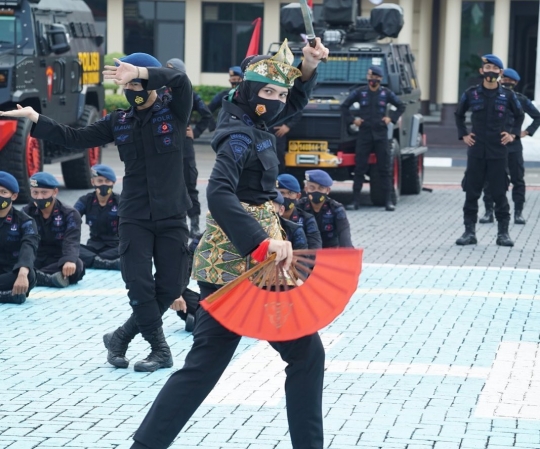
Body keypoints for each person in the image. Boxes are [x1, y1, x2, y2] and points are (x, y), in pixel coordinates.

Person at [130, 38, 329, 449]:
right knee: (301, 356)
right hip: (243, 265)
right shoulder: (238, 135)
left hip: (246, 264)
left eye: (279, 93)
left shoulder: (252, 118)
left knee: (210, 365)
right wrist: (260, 243)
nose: (275, 102)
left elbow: (288, 106)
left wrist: (307, 67)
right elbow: (218, 194)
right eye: (267, 92)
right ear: (249, 91)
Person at [0, 52, 193, 372]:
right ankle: (160, 349)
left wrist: (143, 71)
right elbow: (75, 137)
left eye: (138, 82)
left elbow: (181, 81)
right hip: (134, 215)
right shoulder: (119, 121)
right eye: (128, 83)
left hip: (172, 213)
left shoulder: (175, 112)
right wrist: (36, 119)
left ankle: (120, 336)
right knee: (140, 284)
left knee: (172, 285)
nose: (134, 88)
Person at [455, 55, 524, 247]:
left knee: (499, 193)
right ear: (481, 71)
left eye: (494, 68)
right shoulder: (471, 94)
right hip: (476, 151)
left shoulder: (508, 96)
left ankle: (503, 234)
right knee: (471, 193)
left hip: (498, 152)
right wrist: (464, 135)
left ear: (500, 73)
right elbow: (459, 114)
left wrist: (513, 135)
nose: (490, 70)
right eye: (487, 67)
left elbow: (519, 116)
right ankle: (469, 232)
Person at [478, 68, 540, 226]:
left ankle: (518, 213)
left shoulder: (520, 99)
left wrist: (526, 132)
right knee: (490, 179)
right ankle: (488, 212)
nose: (506, 82)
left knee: (517, 179)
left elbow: (537, 116)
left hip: (513, 146)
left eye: (509, 81)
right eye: (503, 79)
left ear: (516, 83)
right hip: (493, 145)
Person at [340, 65, 405, 211]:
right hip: (364, 135)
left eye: (373, 76)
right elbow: (344, 106)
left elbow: (401, 106)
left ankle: (388, 201)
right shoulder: (360, 92)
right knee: (359, 169)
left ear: (380, 78)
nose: (371, 78)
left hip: (381, 135)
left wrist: (391, 119)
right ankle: (355, 201)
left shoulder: (386, 93)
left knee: (385, 169)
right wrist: (353, 120)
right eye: (369, 76)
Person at [166, 58, 213, 237]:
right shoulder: (160, 91)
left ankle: (194, 224)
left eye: (171, 70)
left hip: (185, 147)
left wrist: (195, 131)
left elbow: (207, 116)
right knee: (168, 185)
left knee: (189, 185)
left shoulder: (189, 93)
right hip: (166, 144)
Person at [22, 172, 85, 288]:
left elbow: (71, 241)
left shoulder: (70, 214)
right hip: (34, 257)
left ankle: (33, 276)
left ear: (55, 192)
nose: (39, 197)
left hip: (58, 259)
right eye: (35, 192)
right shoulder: (25, 212)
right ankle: (45, 277)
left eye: (44, 192)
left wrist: (69, 260)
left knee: (77, 265)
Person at [0, 172, 39, 305]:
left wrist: (22, 272)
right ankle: (6, 296)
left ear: (14, 196)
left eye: (3, 192)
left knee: (30, 275)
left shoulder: (25, 221)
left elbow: (29, 245)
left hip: (13, 271)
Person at [74, 164, 121, 270]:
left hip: (115, 246)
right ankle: (102, 262)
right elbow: (72, 218)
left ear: (113, 183)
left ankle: (93, 260)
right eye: (99, 181)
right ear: (93, 182)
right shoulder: (85, 200)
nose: (103, 184)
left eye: (107, 181)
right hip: (93, 246)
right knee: (70, 248)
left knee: (131, 248)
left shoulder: (120, 201)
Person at [297, 169, 353, 249]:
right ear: (306, 189)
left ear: (327, 190)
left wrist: (348, 254)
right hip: (306, 252)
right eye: (312, 188)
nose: (316, 191)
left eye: (321, 188)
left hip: (330, 252)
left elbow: (344, 236)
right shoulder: (299, 207)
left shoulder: (336, 209)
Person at [276, 173, 322, 249]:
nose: (286, 197)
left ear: (298, 196)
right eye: (281, 193)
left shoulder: (307, 219)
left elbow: (315, 249)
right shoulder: (267, 218)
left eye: (291, 193)